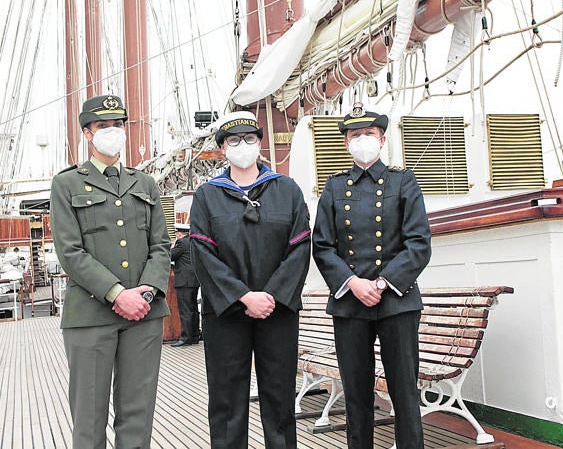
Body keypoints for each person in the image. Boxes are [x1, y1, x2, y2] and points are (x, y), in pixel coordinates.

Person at [50, 94, 171, 449]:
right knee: (89, 418)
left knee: (138, 413)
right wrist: (118, 294)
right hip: (90, 314)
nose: (113, 132)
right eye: (104, 126)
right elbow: (70, 252)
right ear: (88, 133)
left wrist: (145, 292)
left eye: (118, 125)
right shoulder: (67, 184)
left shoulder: (144, 183)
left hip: (144, 313)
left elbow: (161, 245)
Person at [312, 104, 432, 449]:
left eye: (368, 134)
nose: (362, 140)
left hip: (397, 299)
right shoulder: (334, 188)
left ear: (381, 140)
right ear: (346, 142)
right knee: (356, 392)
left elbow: (419, 242)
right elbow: (322, 246)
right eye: (354, 135)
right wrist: (353, 283)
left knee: (404, 391)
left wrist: (381, 283)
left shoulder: (402, 181)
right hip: (350, 303)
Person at [190, 112, 312, 449]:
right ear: (222, 148)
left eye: (249, 139)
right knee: (227, 401)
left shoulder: (286, 189)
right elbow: (202, 254)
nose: (242, 146)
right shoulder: (207, 196)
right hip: (226, 312)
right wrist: (244, 296)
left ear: (259, 143)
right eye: (233, 141)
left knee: (279, 397)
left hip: (278, 310)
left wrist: (269, 295)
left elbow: (300, 246)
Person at [169, 224, 200, 346]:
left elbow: (171, 255)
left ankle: (185, 338)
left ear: (179, 233)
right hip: (193, 280)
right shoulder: (193, 242)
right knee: (193, 309)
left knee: (185, 310)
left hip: (184, 281)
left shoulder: (181, 242)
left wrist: (170, 247)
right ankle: (195, 335)